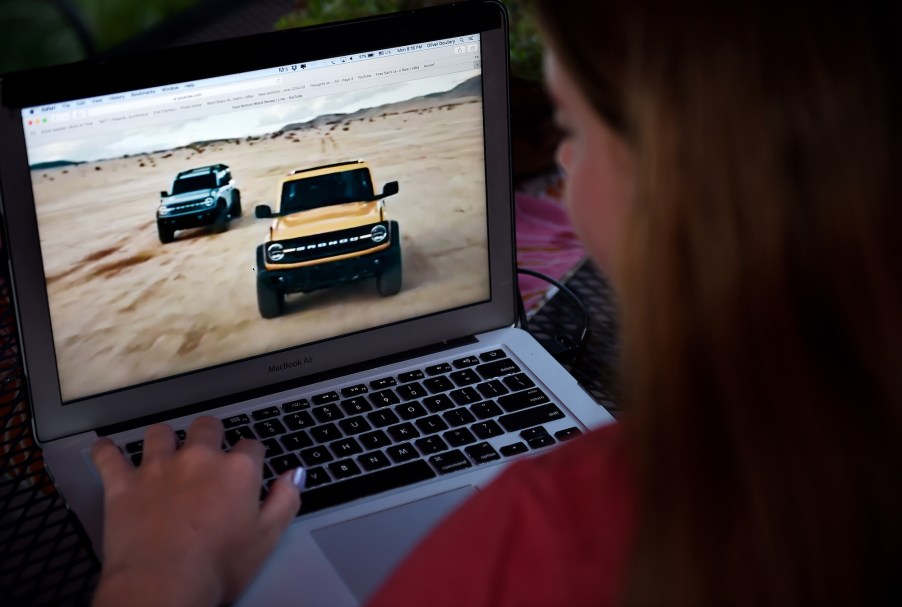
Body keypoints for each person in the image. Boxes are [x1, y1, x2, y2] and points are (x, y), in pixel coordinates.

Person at [89, 1, 902, 605]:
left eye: (573, 131)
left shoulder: (548, 531)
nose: (563, 174)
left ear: (689, 184)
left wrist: (158, 570)